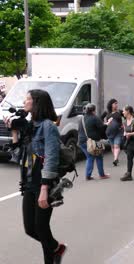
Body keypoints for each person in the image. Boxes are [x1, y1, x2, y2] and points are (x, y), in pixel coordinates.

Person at [5, 89, 68, 263]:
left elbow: (52, 158)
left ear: (37, 103)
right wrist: (15, 132)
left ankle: (52, 257)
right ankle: (57, 248)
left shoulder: (48, 126)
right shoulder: (30, 125)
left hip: (43, 184)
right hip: (28, 183)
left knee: (41, 227)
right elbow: (19, 157)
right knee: (30, 229)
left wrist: (45, 188)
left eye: (27, 99)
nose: (24, 102)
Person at [78, 103, 110, 180]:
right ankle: (102, 175)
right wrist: (107, 124)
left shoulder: (82, 118)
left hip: (82, 141)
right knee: (99, 157)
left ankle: (88, 175)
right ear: (93, 110)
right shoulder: (94, 118)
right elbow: (101, 127)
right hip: (94, 141)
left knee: (89, 157)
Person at [104, 99, 124, 166]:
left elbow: (126, 117)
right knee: (112, 146)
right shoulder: (108, 113)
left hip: (118, 132)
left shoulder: (119, 112)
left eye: (117, 103)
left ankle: (115, 159)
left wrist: (123, 125)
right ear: (111, 105)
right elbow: (102, 119)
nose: (116, 105)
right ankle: (115, 158)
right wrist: (106, 123)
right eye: (115, 103)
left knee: (116, 145)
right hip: (110, 132)